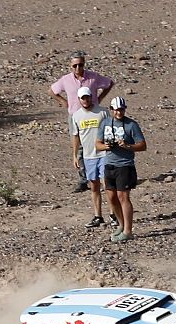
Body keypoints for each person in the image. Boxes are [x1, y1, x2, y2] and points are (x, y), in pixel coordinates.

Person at [49, 51, 114, 194]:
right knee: (78, 147)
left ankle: (102, 176)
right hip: (75, 115)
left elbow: (109, 83)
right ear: (70, 66)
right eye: (75, 65)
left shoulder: (93, 77)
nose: (78, 68)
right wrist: (63, 101)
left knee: (98, 142)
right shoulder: (66, 80)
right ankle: (84, 179)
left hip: (94, 115)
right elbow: (52, 91)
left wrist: (100, 98)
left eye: (80, 65)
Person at [95, 96, 147, 242]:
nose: (119, 112)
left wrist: (128, 146)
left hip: (125, 165)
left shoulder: (131, 125)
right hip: (109, 164)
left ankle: (128, 231)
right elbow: (97, 144)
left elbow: (143, 145)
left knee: (123, 197)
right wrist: (106, 146)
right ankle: (121, 224)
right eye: (116, 110)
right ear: (111, 110)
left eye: (121, 110)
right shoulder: (105, 123)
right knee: (111, 197)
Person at [72, 87, 113, 228]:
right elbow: (76, 136)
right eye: (82, 98)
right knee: (94, 186)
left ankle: (113, 214)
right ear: (79, 99)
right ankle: (98, 216)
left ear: (91, 97)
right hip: (88, 155)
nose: (85, 100)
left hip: (104, 154)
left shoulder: (102, 112)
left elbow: (110, 129)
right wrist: (75, 155)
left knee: (107, 184)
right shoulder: (76, 116)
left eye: (87, 97)